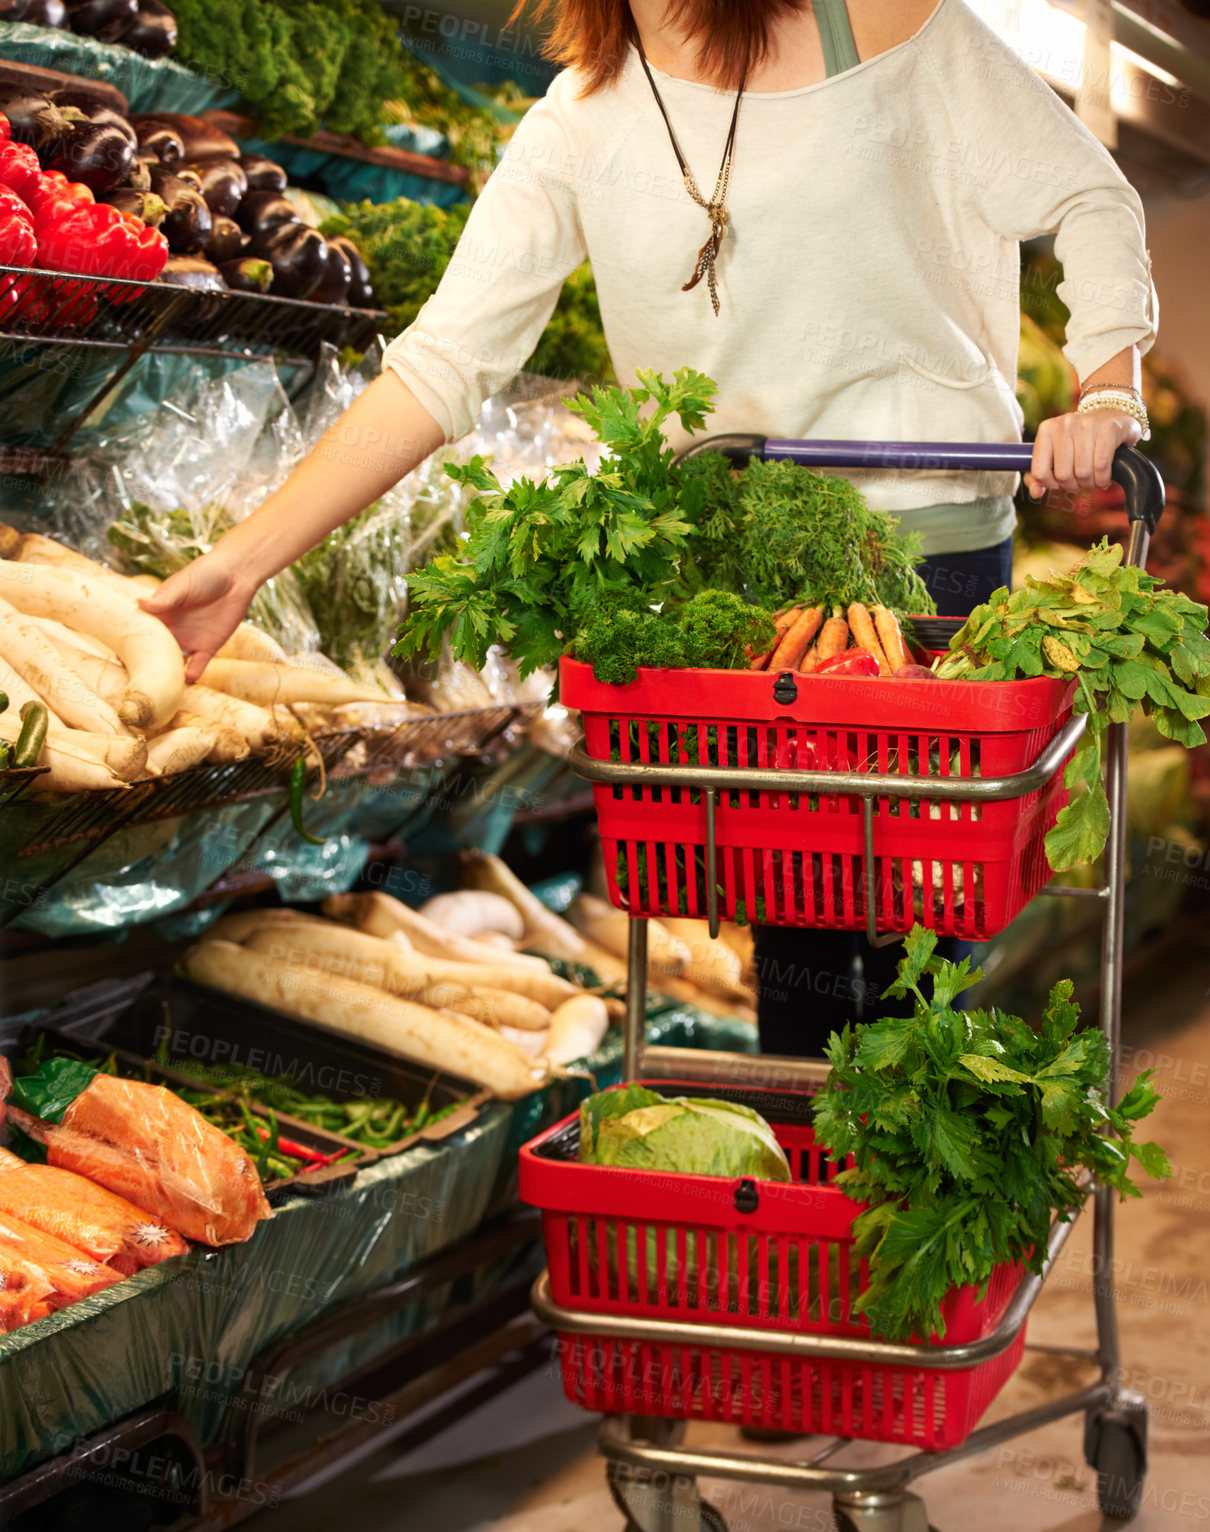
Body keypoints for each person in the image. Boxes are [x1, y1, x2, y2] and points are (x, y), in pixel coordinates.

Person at [141, 0, 1156, 1053]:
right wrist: (241, 563)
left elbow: (1089, 195)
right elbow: (441, 363)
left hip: (931, 555)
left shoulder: (882, 25)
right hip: (743, 579)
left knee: (922, 932)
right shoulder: (580, 120)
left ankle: (913, 1182)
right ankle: (815, 1200)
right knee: (796, 941)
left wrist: (1106, 392)